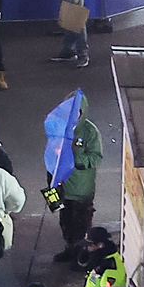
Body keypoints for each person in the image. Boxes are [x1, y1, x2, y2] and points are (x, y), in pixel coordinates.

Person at [50, 102, 103, 265]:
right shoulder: (60, 128)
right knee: (65, 222)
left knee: (81, 226)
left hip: (82, 189)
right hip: (63, 188)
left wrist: (74, 159)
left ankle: (81, 258)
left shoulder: (90, 132)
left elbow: (96, 157)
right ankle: (69, 249)